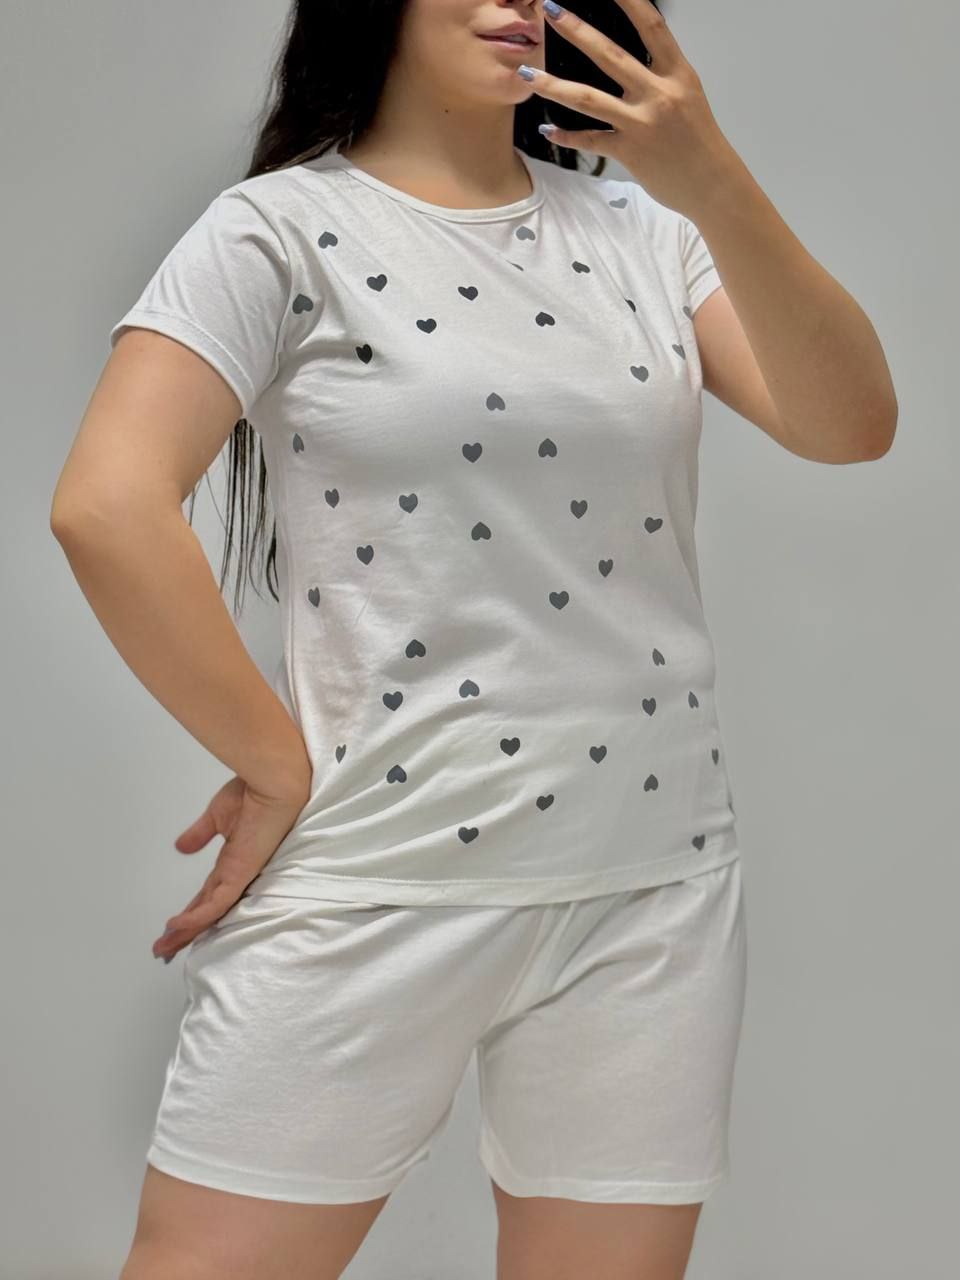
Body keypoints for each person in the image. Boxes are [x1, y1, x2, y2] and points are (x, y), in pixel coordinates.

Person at [49, 2, 896, 1278]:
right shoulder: (279, 229)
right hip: (382, 870)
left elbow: (852, 425)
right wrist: (274, 762)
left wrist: (709, 172)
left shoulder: (649, 233)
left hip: (649, 885)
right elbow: (107, 505)